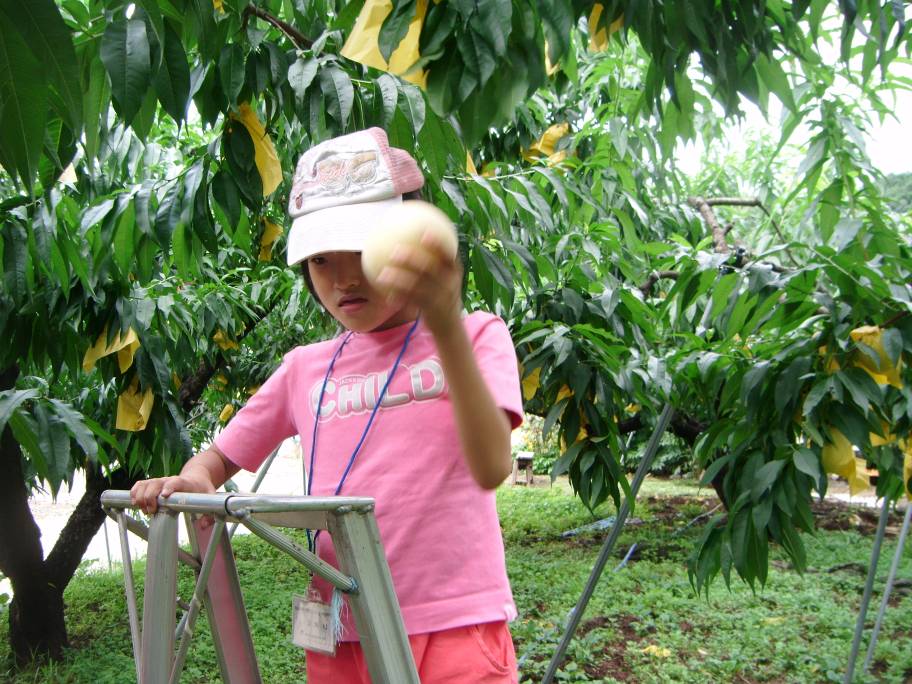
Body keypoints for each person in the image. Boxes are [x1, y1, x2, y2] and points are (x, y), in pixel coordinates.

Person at [130, 127, 524, 683]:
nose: (342, 279)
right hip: (343, 630)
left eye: (362, 250)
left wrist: (444, 321)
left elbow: (493, 466)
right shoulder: (304, 368)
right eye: (320, 260)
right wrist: (194, 480)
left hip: (453, 623)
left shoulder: (475, 336)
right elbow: (215, 460)